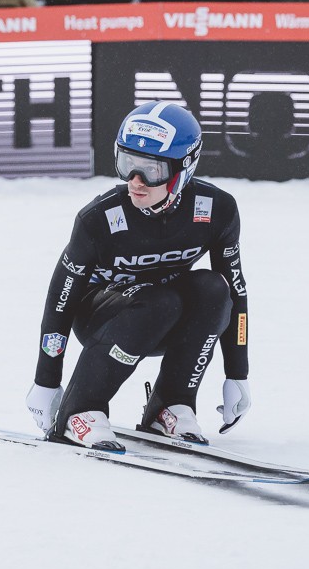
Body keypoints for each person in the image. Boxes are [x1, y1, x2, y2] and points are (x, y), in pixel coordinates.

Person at [25, 101, 251, 451]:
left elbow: (235, 291)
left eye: (151, 169)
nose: (136, 182)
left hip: (165, 314)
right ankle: (80, 412)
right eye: (127, 164)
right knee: (158, 301)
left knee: (213, 289)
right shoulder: (99, 218)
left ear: (184, 168)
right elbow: (61, 300)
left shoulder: (216, 209)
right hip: (101, 317)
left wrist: (237, 373)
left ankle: (171, 406)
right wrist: (46, 379)